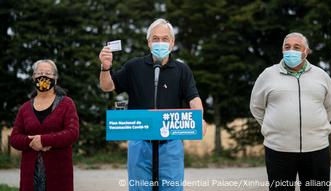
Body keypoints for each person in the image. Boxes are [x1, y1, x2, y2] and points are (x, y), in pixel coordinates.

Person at [99, 18, 206, 191]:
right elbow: (107, 86)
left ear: (172, 43)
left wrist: (200, 118)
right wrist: (105, 68)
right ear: (148, 42)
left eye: (165, 39)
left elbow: (193, 98)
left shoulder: (182, 70)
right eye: (155, 39)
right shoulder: (134, 66)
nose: (160, 43)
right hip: (140, 141)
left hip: (170, 142)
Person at [250, 32, 331, 191]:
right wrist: (274, 127)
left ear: (306, 51)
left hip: (317, 150)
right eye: (287, 47)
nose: (291, 51)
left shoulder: (321, 76)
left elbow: (330, 107)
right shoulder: (267, 75)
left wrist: (314, 127)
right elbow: (256, 107)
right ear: (282, 49)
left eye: (297, 47)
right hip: (278, 150)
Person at [10, 59, 79, 191]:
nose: (43, 76)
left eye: (48, 73)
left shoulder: (67, 104)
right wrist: (32, 142)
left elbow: (72, 133)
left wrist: (44, 140)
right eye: (39, 73)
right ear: (33, 77)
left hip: (59, 174)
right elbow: (14, 138)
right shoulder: (25, 108)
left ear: (56, 78)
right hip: (29, 176)